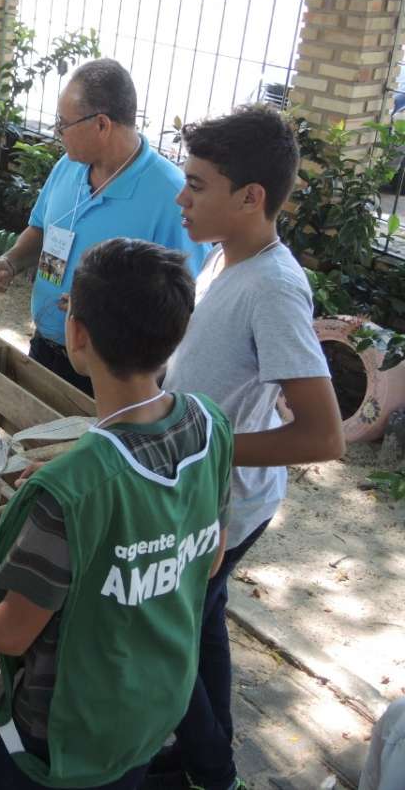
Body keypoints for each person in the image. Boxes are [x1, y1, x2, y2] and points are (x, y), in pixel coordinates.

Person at [0, 237, 234, 790]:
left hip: (63, 741)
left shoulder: (68, 494)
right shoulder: (211, 425)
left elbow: (8, 634)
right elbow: (210, 553)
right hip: (153, 707)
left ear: (76, 334)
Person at [152, 106, 345, 790]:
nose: (182, 197)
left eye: (197, 185)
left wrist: (209, 448)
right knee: (199, 627)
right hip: (200, 496)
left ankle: (212, 769)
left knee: (164, 637)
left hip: (222, 507)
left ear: (250, 198)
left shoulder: (274, 287)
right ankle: (208, 758)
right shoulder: (224, 257)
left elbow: (323, 435)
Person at [0, 58, 209, 397]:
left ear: (101, 124)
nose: (59, 134)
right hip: (47, 348)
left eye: (64, 124)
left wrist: (105, 308)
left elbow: (183, 305)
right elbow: (41, 228)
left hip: (112, 379)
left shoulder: (169, 196)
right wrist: (10, 262)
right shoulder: (68, 167)